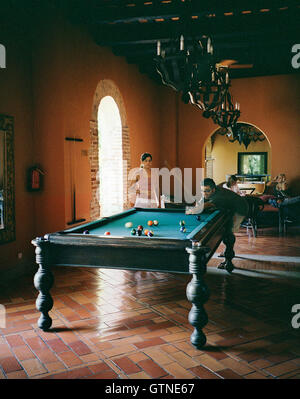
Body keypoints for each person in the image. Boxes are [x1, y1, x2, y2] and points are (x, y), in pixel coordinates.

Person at [186, 178, 249, 272]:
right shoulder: (210, 192)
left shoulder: (218, 197)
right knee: (226, 227)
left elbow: (204, 206)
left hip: (240, 208)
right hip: (230, 205)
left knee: (229, 232)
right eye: (202, 190)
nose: (204, 193)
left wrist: (192, 210)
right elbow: (202, 201)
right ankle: (227, 251)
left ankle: (228, 261)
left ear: (213, 190)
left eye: (207, 191)